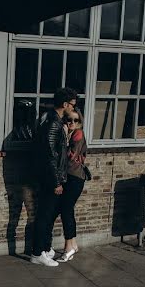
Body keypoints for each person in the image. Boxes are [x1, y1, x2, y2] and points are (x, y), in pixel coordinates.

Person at [30, 87, 76, 267]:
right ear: (65, 105)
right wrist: (56, 181)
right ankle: (37, 253)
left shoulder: (53, 120)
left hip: (50, 176)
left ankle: (45, 248)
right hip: (49, 178)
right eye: (72, 106)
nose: (73, 109)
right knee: (44, 215)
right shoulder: (53, 123)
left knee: (48, 215)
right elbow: (50, 155)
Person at [56, 107, 88, 262]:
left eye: (76, 120)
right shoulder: (70, 134)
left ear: (80, 122)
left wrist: (64, 141)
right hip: (70, 177)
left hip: (75, 178)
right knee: (66, 210)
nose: (72, 123)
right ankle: (72, 244)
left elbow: (70, 156)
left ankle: (69, 247)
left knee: (66, 210)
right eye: (69, 119)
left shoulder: (77, 134)